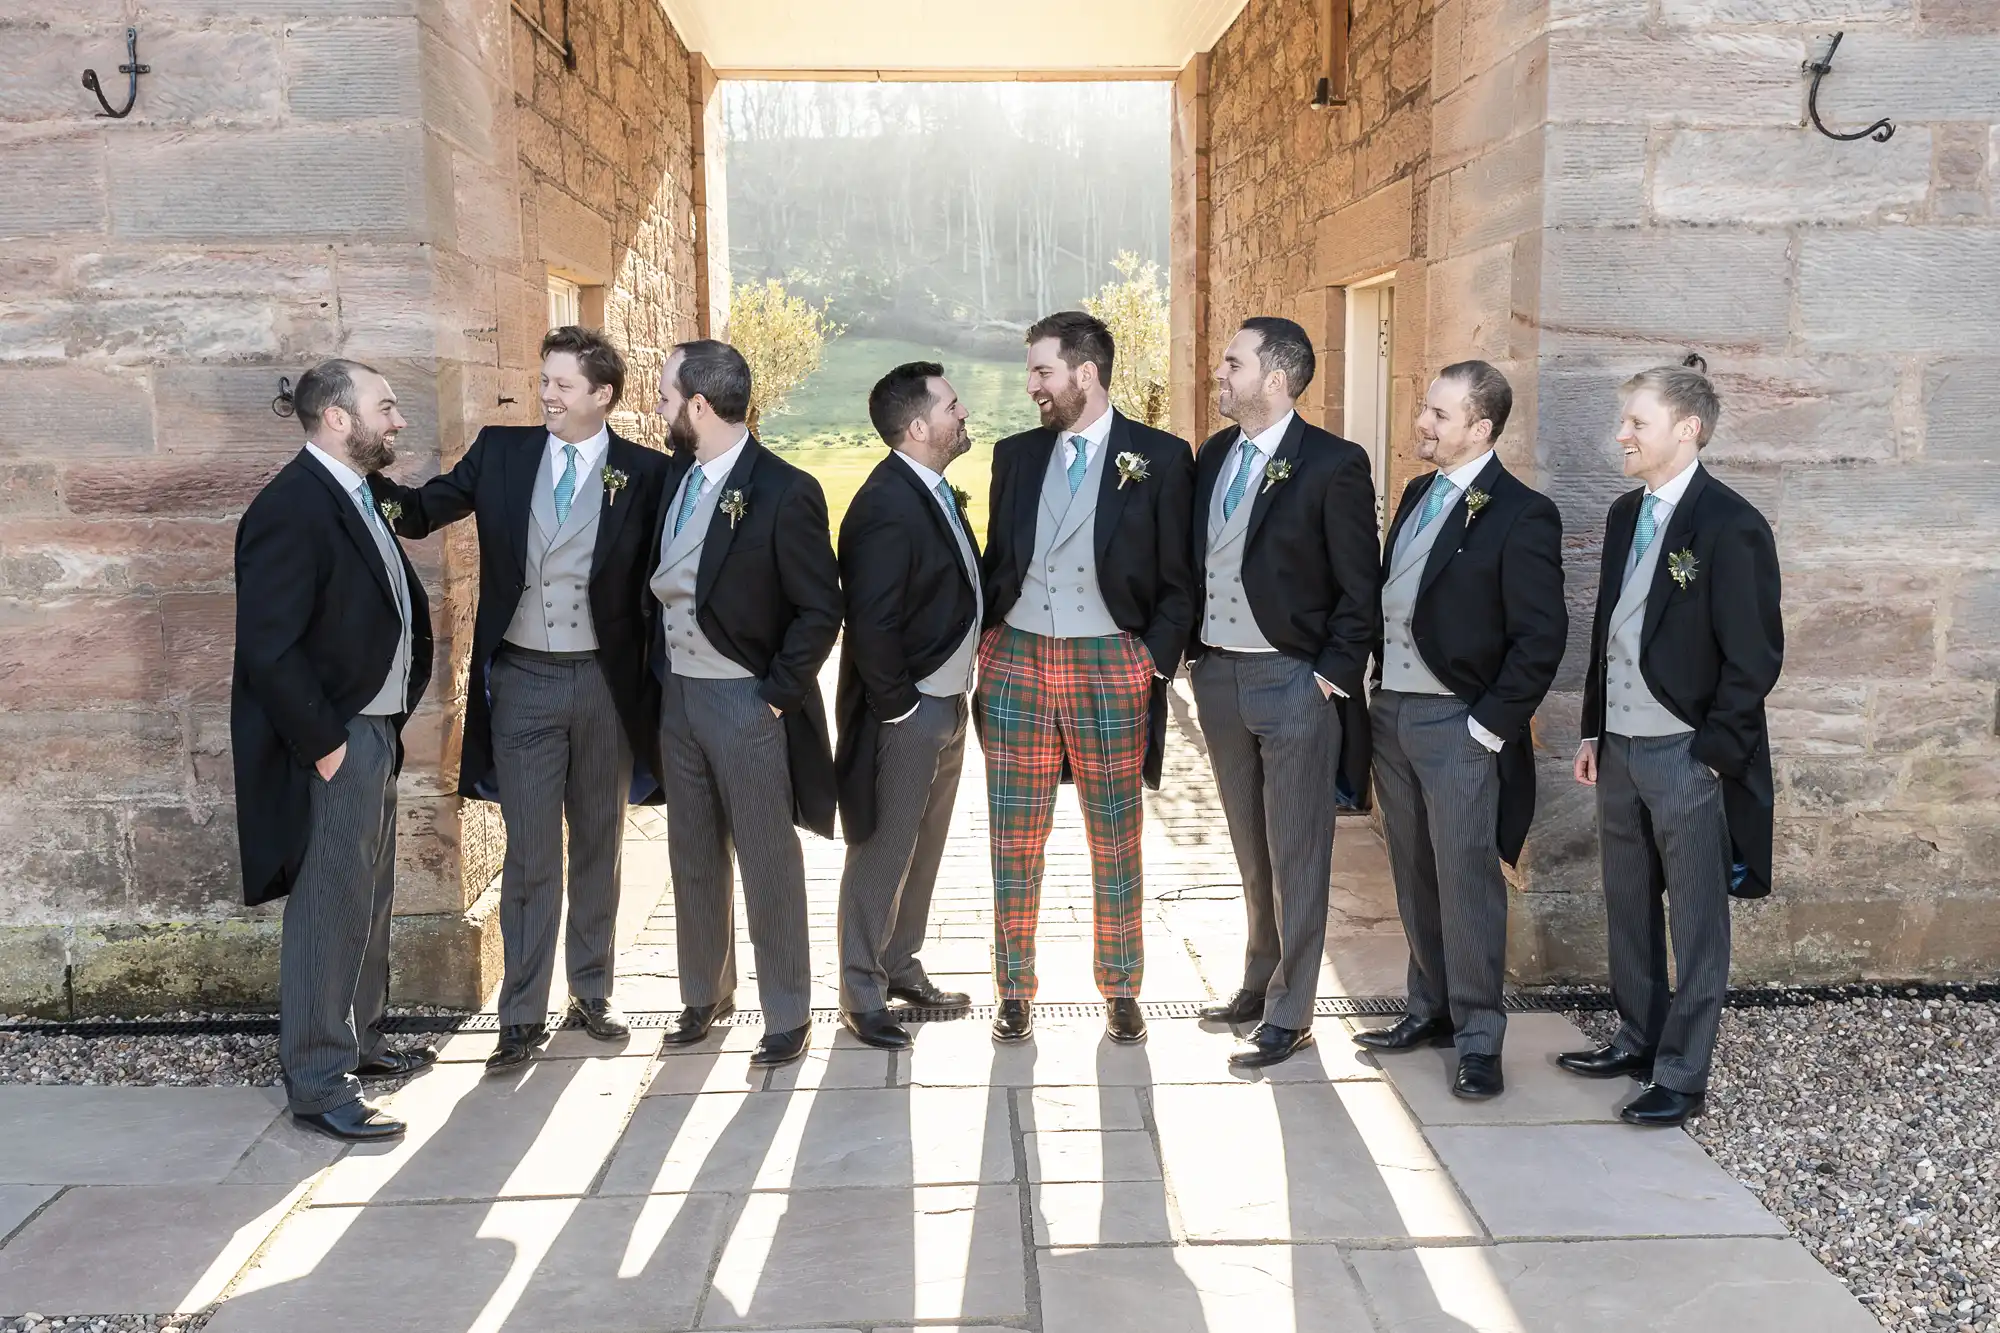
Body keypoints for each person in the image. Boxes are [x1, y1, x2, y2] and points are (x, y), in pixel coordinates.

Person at [372, 327, 673, 1072]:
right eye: (544, 381)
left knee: (599, 841)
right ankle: (519, 1013)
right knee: (531, 849)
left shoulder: (645, 472)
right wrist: (352, 474)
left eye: (562, 384)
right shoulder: (502, 454)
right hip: (524, 682)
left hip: (607, 684)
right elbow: (417, 513)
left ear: (602, 395)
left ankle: (593, 991)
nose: (546, 394)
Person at [1563, 358, 1783, 1127]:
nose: (1620, 435)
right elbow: (1608, 632)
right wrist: (1595, 728)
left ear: (1686, 430)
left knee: (1695, 920)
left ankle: (1684, 1073)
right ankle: (1638, 1036)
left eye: (1636, 423)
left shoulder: (1731, 524)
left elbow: (1754, 658)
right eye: (1625, 422)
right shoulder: (1628, 513)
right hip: (1620, 746)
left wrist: (1713, 755)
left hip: (1688, 755)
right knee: (1626, 900)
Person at [977, 310, 1195, 1045]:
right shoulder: (1016, 455)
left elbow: (1179, 578)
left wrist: (1151, 662)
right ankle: (1013, 988)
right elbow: (996, 560)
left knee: (1115, 836)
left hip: (1112, 664)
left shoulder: (1161, 457)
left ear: (1085, 373)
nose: (1031, 385)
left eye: (1042, 370)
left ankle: (1123, 987)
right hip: (1018, 663)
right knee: (1014, 839)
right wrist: (988, 642)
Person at [233, 358, 435, 1142]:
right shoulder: (291, 507)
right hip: (335, 738)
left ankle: (363, 1041)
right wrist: (326, 748)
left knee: (370, 894)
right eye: (386, 407)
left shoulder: (352, 494)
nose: (399, 421)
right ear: (339, 419)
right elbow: (269, 649)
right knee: (328, 901)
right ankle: (318, 1080)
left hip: (371, 729)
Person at [1356, 361, 1567, 1102]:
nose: (1423, 422)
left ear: (1480, 428)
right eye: (1426, 406)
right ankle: (1430, 1008)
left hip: (1459, 722)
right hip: (1395, 715)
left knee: (1468, 880)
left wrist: (1486, 728)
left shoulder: (1521, 512)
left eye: (1439, 414)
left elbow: (1542, 638)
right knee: (1412, 871)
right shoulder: (1416, 494)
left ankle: (1480, 1037)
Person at [1185, 317, 1381, 1068]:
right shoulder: (1215, 454)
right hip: (1220, 676)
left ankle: (1294, 1010)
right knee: (1251, 843)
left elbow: (1360, 587)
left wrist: (1328, 675)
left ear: (1275, 378)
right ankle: (1259, 976)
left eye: (1233, 362)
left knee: (1298, 847)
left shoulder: (1333, 463)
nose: (1220, 373)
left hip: (1294, 678)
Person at [650, 339, 843, 1069]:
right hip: (678, 697)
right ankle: (705, 993)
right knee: (692, 852)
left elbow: (819, 610)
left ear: (700, 405)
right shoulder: (676, 475)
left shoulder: (786, 489)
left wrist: (772, 700)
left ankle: (788, 1010)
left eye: (667, 395)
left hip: (744, 701)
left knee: (767, 857)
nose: (660, 406)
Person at [831, 362, 983, 1050]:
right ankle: (862, 993)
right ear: (920, 426)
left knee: (922, 847)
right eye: (953, 404)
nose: (963, 412)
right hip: (911, 712)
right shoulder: (885, 503)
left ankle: (899, 963)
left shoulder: (934, 490)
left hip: (948, 704)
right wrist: (900, 709)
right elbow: (871, 621)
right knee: (883, 848)